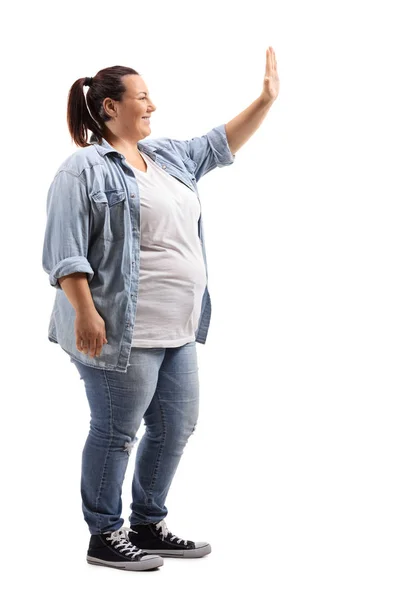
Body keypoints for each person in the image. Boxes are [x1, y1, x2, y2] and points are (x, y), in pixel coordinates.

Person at [42, 51, 279, 573]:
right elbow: (65, 250)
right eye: (143, 96)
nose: (154, 104)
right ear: (110, 107)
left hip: (178, 327)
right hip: (119, 331)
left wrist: (264, 100)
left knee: (176, 426)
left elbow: (219, 143)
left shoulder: (168, 157)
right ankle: (105, 535)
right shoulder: (81, 168)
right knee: (115, 432)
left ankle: (148, 523)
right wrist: (85, 311)